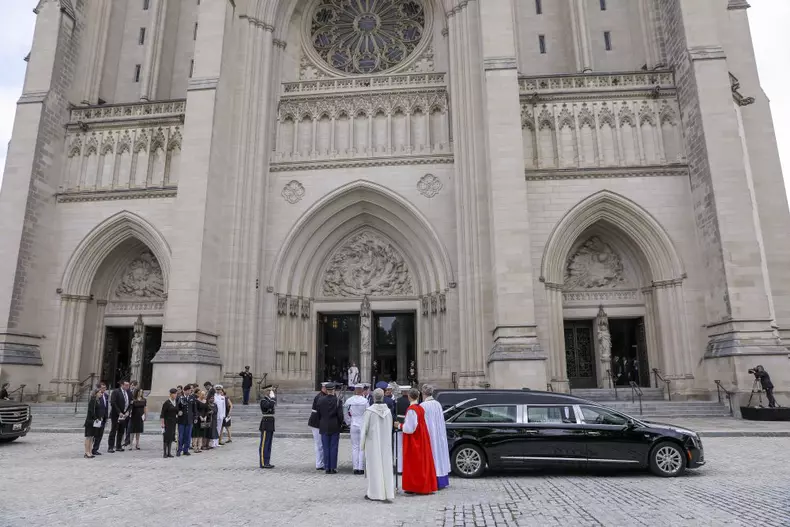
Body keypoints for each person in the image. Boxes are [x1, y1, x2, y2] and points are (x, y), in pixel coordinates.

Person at [397, 387, 437, 495]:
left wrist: (400, 425)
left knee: (413, 463)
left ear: (409, 396)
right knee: (421, 462)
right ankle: (422, 485)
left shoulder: (412, 410)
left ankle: (414, 486)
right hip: (422, 437)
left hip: (414, 440)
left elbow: (410, 428)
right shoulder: (420, 408)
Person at [360, 388, 395, 502]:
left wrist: (362, 445)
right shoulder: (388, 412)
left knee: (374, 467)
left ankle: (375, 493)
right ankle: (387, 492)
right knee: (385, 466)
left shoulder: (369, 412)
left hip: (373, 443)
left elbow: (364, 430)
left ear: (373, 397)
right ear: (383, 396)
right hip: (385, 442)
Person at [420, 384, 451, 489]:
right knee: (439, 455)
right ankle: (441, 479)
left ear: (423, 393)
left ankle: (432, 479)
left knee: (432, 455)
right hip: (438, 435)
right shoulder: (437, 404)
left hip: (429, 435)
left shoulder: (423, 406)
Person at [316, 382, 344, 474]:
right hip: (334, 425)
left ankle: (327, 467)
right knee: (333, 447)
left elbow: (318, 414)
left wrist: (322, 422)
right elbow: (340, 416)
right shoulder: (337, 401)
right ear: (333, 390)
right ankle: (333, 467)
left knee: (325, 447)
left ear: (327, 390)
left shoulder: (320, 400)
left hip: (324, 425)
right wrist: (340, 424)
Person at [344, 384, 368, 475]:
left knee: (355, 446)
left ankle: (355, 467)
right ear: (362, 391)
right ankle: (360, 468)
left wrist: (348, 422)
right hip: (362, 422)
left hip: (353, 423)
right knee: (362, 447)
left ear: (355, 390)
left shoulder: (349, 400)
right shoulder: (365, 401)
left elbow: (345, 412)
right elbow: (367, 413)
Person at [308, 382, 328, 470]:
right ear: (324, 388)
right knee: (319, 444)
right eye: (328, 389)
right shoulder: (320, 397)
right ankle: (319, 464)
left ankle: (320, 462)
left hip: (318, 422)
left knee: (320, 444)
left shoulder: (321, 396)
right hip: (316, 422)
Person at [108, 380, 131, 453]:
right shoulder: (116, 392)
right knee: (114, 430)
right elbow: (113, 402)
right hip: (116, 415)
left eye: (128, 385)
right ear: (122, 385)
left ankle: (118, 446)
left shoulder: (129, 392)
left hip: (124, 415)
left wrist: (128, 411)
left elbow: (131, 402)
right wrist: (119, 412)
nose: (128, 386)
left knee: (121, 431)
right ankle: (110, 447)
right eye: (126, 385)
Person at [259, 385, 276, 469]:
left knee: (269, 444)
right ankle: (263, 462)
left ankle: (267, 461)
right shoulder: (263, 401)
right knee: (264, 444)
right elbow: (270, 406)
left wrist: (273, 398)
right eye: (269, 391)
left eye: (271, 391)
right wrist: (272, 399)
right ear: (265, 392)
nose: (270, 392)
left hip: (270, 422)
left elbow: (273, 403)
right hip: (265, 423)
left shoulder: (269, 400)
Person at [394, 384, 410, 474]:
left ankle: (400, 468)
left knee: (399, 447)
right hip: (407, 425)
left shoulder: (397, 401)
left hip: (399, 424)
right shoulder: (410, 401)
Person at [176, 385, 195, 456]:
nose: (190, 391)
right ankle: (179, 450)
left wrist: (195, 417)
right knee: (181, 436)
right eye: (190, 390)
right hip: (182, 420)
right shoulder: (180, 397)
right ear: (186, 390)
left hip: (189, 420)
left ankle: (185, 450)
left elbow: (194, 408)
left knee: (188, 436)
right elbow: (176, 407)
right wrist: (178, 411)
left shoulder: (192, 398)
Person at [91, 382, 109, 456]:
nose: (104, 389)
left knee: (100, 434)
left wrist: (106, 416)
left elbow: (106, 407)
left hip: (103, 418)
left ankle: (95, 449)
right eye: (102, 388)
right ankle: (90, 448)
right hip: (97, 418)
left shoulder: (106, 395)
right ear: (99, 388)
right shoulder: (95, 396)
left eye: (105, 388)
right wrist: (96, 417)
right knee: (94, 434)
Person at [83, 389, 102, 459]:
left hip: (95, 421)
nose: (101, 393)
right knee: (88, 437)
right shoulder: (93, 400)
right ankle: (86, 452)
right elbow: (91, 411)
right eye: (99, 392)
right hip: (90, 421)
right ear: (95, 393)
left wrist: (99, 418)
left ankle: (90, 451)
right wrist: (96, 418)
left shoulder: (97, 400)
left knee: (91, 437)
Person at [160, 388, 178, 458]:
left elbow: (176, 411)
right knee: (166, 437)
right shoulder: (167, 403)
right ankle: (165, 452)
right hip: (167, 422)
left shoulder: (175, 402)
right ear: (171, 394)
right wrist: (162, 423)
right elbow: (162, 414)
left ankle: (169, 452)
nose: (176, 395)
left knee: (171, 437)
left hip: (173, 422)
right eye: (174, 394)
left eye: (176, 393)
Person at [123, 380, 139, 447]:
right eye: (132, 385)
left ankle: (128, 440)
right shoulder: (127, 391)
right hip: (126, 411)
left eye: (134, 386)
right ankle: (126, 440)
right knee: (126, 426)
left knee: (129, 427)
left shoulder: (137, 392)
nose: (133, 387)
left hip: (133, 411)